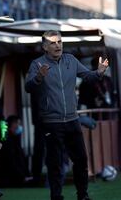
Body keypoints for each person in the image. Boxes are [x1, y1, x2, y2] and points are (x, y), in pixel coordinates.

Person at [25, 30, 109, 200]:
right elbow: (28, 87)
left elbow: (88, 77)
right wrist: (39, 77)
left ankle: (83, 196)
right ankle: (56, 197)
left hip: (72, 120)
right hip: (51, 122)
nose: (57, 45)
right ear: (45, 47)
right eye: (53, 43)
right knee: (54, 164)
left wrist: (99, 72)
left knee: (81, 160)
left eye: (59, 42)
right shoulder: (37, 64)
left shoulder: (71, 60)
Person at [0, 115, 32, 187]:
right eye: (17, 124)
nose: (19, 126)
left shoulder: (15, 139)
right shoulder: (7, 141)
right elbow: (11, 162)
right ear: (12, 124)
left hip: (18, 178)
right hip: (10, 180)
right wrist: (22, 177)